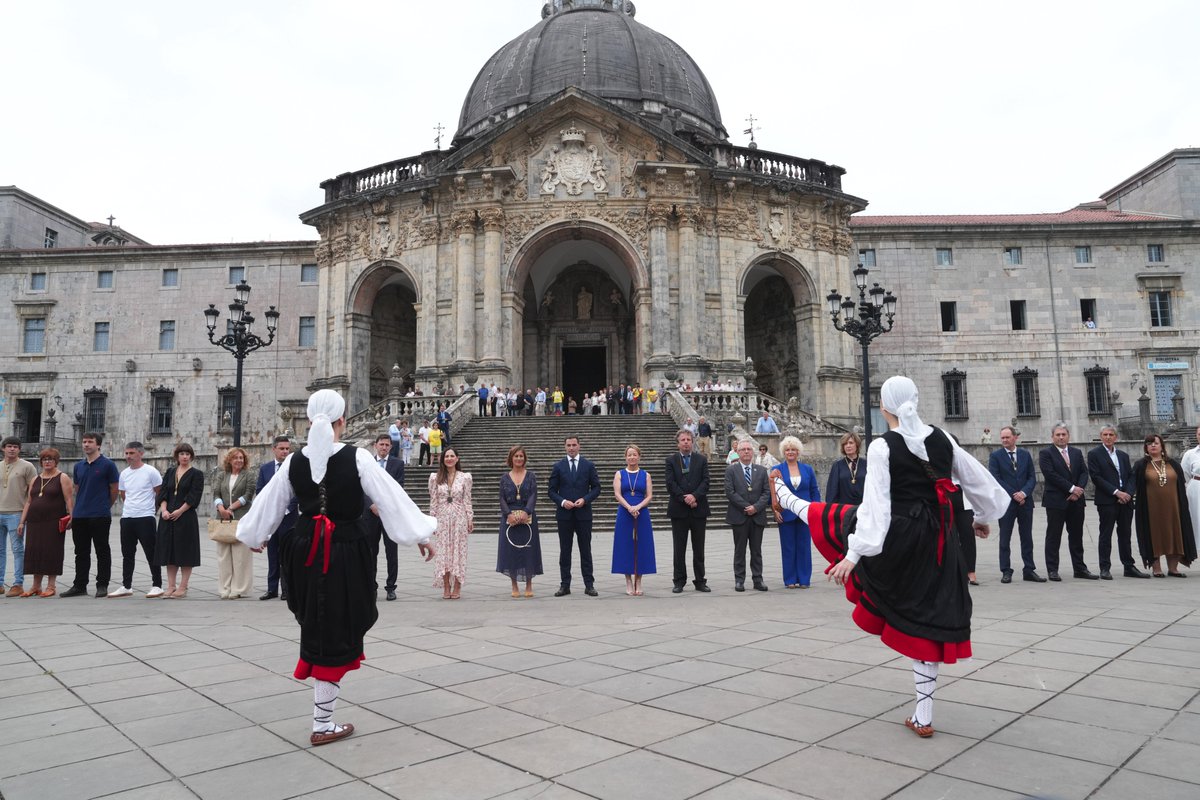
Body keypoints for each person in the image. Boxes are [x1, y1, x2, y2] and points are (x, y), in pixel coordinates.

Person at [775, 376, 1010, 739]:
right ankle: (923, 714)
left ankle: (789, 499)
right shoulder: (943, 438)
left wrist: (854, 553)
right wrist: (979, 517)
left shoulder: (884, 447)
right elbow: (978, 481)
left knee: (838, 518)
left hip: (901, 538)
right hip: (940, 540)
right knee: (928, 621)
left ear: (884, 407)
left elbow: (876, 509)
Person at [237, 389, 436, 747]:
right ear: (342, 420)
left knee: (320, 621)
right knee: (337, 626)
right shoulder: (358, 458)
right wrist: (419, 533)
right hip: (344, 548)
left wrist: (256, 533)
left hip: (304, 548)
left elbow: (271, 502)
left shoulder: (295, 462)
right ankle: (323, 722)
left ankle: (323, 715)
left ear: (311, 420)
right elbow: (389, 498)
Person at [62, 432, 119, 597]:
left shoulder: (108, 465)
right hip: (80, 515)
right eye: (84, 442)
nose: (86, 445)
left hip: (99, 515)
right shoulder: (78, 466)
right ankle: (80, 585)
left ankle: (102, 584)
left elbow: (114, 489)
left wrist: (104, 506)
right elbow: (78, 490)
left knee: (102, 550)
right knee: (80, 551)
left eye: (90, 442)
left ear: (98, 445)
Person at [1088, 426, 1149, 579]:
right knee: (1105, 535)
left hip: (1125, 501)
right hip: (1108, 500)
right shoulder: (1094, 454)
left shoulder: (1123, 455)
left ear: (1116, 437)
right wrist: (1116, 492)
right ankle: (1105, 567)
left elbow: (1130, 476)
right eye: (1105, 434)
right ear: (1101, 436)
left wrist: (1128, 493)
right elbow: (1096, 477)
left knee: (1125, 534)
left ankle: (1128, 566)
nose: (1108, 437)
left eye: (1111, 434)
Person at [1039, 424, 1098, 581]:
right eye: (1057, 434)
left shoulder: (1076, 452)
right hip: (1056, 501)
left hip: (1076, 501)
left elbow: (1084, 473)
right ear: (1052, 437)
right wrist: (1071, 488)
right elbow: (1050, 474)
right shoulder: (1046, 453)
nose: (1061, 437)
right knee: (1054, 536)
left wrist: (1078, 490)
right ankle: (1052, 569)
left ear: (1068, 436)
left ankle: (1079, 568)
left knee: (1077, 536)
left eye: (1063, 434)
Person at [1133, 434, 1197, 577]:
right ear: (1146, 447)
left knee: (1174, 534)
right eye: (1149, 444)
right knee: (1154, 535)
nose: (1153, 446)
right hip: (1152, 508)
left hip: (1173, 507)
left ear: (1162, 445)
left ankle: (1173, 569)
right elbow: (1135, 484)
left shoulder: (1173, 464)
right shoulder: (1141, 465)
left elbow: (1182, 482)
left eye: (1155, 443)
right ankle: (1156, 569)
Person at [987, 426, 1044, 583]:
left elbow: (1032, 477)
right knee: (1005, 538)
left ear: (1015, 438)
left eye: (1007, 437)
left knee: (1027, 537)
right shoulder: (996, 456)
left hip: (1025, 502)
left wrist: (1024, 493)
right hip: (1006, 504)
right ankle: (1006, 570)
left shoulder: (1025, 455)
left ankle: (1029, 569)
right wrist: (1014, 494)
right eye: (1002, 438)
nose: (1004, 440)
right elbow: (995, 479)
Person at [548, 435, 602, 596]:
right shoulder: (558, 466)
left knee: (586, 550)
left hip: (583, 514)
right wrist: (562, 501)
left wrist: (585, 500)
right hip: (564, 514)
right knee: (565, 551)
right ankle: (565, 585)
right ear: (565, 447)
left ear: (579, 446)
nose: (571, 448)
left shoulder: (588, 465)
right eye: (568, 445)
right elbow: (551, 490)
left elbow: (596, 487)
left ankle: (589, 584)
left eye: (574, 445)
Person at [16, 448, 73, 597]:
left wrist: (71, 517)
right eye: (44, 459)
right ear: (41, 462)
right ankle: (36, 586)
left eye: (50, 459)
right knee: (35, 551)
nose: (47, 462)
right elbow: (29, 501)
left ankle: (51, 586)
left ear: (56, 461)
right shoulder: (35, 479)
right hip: (35, 522)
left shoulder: (62, 477)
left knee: (51, 551)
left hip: (53, 521)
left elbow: (68, 499)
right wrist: (22, 522)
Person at [111, 441, 164, 598]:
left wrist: (153, 509)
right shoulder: (124, 473)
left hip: (145, 517)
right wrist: (130, 507)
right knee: (127, 553)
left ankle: (157, 584)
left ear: (141, 453)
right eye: (126, 453)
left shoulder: (150, 471)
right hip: (127, 517)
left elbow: (159, 491)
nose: (128, 456)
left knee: (151, 552)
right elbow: (123, 494)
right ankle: (126, 586)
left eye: (132, 453)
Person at [664, 429, 711, 593]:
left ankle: (700, 580)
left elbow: (706, 481)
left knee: (699, 548)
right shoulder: (671, 460)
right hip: (679, 510)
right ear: (678, 443)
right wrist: (685, 498)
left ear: (693, 442)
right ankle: (679, 581)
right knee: (679, 548)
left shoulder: (701, 459)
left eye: (688, 440)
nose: (686, 442)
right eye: (683, 440)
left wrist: (695, 497)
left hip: (698, 509)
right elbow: (670, 484)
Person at [770, 436, 819, 589]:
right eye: (787, 450)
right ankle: (790, 579)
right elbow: (773, 494)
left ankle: (804, 579)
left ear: (798, 452)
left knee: (804, 546)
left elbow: (814, 491)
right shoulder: (777, 470)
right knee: (788, 547)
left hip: (805, 513)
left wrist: (816, 510)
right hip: (786, 513)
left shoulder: (808, 470)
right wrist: (775, 510)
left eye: (793, 449)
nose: (790, 452)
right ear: (783, 452)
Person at [156, 442, 203, 598]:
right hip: (167, 518)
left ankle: (183, 586)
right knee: (169, 552)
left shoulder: (196, 474)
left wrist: (180, 510)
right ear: (177, 456)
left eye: (187, 454)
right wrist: (164, 510)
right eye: (182, 454)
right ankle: (170, 585)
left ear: (191, 456)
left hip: (186, 518)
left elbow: (194, 496)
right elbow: (163, 493)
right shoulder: (170, 472)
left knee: (185, 552)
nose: (185, 457)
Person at [725, 440, 771, 591]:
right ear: (737, 452)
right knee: (740, 550)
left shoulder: (762, 470)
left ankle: (758, 579)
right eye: (743, 449)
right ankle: (739, 580)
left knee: (756, 550)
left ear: (753, 452)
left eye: (749, 449)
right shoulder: (731, 470)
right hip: (739, 516)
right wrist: (746, 507)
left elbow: (766, 493)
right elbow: (730, 492)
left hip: (757, 516)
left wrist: (756, 507)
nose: (746, 452)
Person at [364, 434, 405, 601]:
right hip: (370, 514)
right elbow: (362, 487)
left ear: (390, 447)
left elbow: (398, 488)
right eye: (381, 444)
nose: (384, 447)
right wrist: (371, 505)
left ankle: (391, 586)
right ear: (375, 445)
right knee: (370, 552)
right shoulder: (367, 464)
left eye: (387, 445)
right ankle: (371, 586)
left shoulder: (398, 464)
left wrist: (385, 507)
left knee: (391, 552)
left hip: (389, 515)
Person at [497, 445, 542, 597]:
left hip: (527, 517)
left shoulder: (530, 476)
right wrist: (508, 514)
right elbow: (501, 498)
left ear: (525, 458)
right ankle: (514, 585)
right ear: (511, 458)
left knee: (528, 550)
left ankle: (529, 584)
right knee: (511, 551)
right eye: (516, 456)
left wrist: (527, 511)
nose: (519, 459)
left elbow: (533, 495)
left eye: (521, 456)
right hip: (509, 518)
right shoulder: (504, 477)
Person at [210, 447, 255, 599]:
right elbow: (216, 493)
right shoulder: (222, 475)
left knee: (240, 555)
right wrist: (221, 509)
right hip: (222, 518)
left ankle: (239, 588)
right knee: (223, 555)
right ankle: (225, 588)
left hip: (241, 517)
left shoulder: (249, 475)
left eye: (241, 458)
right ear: (229, 460)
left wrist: (230, 508)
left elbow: (248, 495)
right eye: (236, 458)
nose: (239, 460)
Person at [428, 447, 473, 599]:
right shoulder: (435, 477)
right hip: (442, 518)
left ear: (457, 458)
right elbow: (433, 501)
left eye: (452, 456)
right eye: (446, 456)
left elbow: (467, 500)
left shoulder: (465, 477)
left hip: (459, 518)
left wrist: (470, 518)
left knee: (458, 553)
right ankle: (446, 586)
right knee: (444, 553)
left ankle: (458, 586)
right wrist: (432, 519)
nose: (449, 458)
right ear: (443, 459)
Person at [612, 444, 656, 596]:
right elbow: (617, 494)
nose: (632, 457)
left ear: (639, 456)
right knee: (625, 545)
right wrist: (629, 507)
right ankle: (628, 580)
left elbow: (649, 495)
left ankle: (638, 579)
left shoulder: (646, 475)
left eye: (634, 454)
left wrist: (637, 507)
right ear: (625, 457)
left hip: (641, 512)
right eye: (629, 455)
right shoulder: (619, 474)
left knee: (641, 545)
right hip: (624, 512)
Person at [259, 436, 298, 601]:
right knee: (272, 554)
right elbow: (260, 490)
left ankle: (287, 589)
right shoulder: (265, 469)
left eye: (287, 449)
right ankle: (271, 589)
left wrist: (287, 509)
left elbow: (299, 491)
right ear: (274, 449)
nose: (285, 451)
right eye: (281, 448)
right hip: (271, 517)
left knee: (287, 554)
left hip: (289, 519)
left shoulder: (294, 468)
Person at [0, 436, 36, 597]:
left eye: (15, 446)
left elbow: (33, 491)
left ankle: (17, 583)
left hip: (16, 512)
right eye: (9, 446)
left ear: (19, 449)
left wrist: (27, 515)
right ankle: (0, 583)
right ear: (3, 448)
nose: (12, 449)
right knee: (0, 550)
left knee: (17, 549)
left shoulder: (27, 466)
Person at [826, 432, 867, 505]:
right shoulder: (837, 466)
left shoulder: (866, 464)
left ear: (857, 445)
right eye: (845, 444)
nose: (848, 446)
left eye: (851, 443)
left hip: (864, 508)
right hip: (844, 510)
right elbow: (832, 491)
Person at [1179, 426, 1200, 555]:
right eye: (1199, 434)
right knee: (1197, 520)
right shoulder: (1190, 454)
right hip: (1196, 487)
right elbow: (1184, 474)